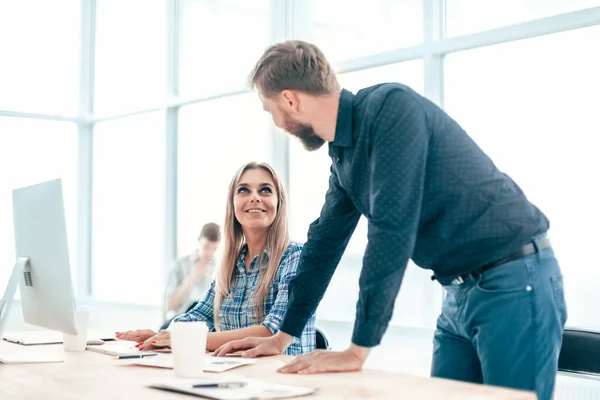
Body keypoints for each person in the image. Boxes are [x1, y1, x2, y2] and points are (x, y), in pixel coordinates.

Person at [212, 41, 567, 400]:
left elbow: (391, 228)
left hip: (513, 280)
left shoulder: (391, 110)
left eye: (270, 110)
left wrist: (357, 350)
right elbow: (324, 245)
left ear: (290, 99)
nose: (277, 122)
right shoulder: (344, 157)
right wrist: (283, 336)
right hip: (457, 292)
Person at [116, 162, 316, 355]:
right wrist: (164, 336)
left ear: (279, 202)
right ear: (232, 204)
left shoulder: (296, 257)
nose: (254, 197)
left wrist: (186, 339)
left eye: (265, 190)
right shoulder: (230, 264)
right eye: (244, 190)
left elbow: (272, 331)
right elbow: (198, 315)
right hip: (235, 376)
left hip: (281, 379)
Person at [161, 222, 221, 330]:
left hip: (207, 324)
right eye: (206, 246)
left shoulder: (219, 268)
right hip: (182, 319)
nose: (210, 253)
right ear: (199, 241)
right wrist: (192, 278)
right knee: (165, 329)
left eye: (214, 248)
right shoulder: (181, 264)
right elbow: (170, 305)